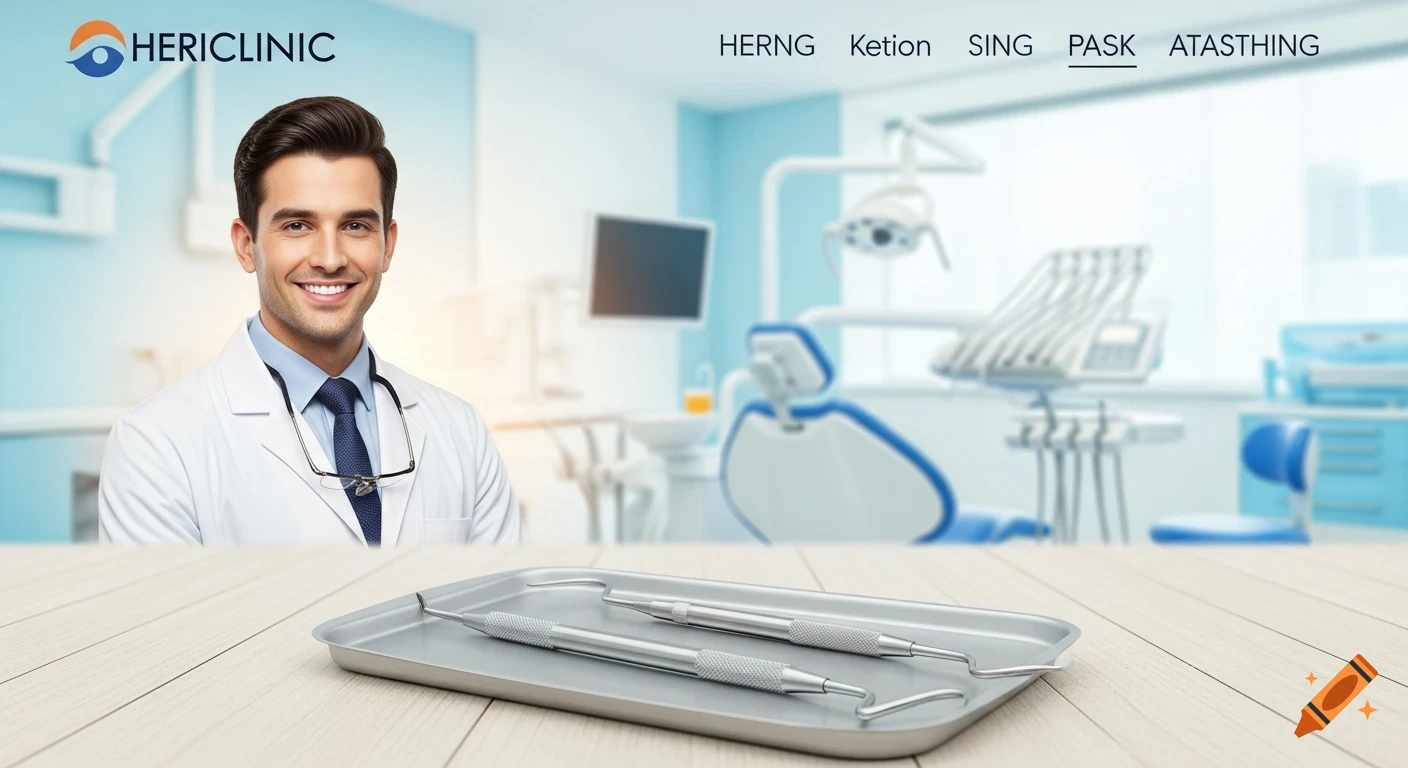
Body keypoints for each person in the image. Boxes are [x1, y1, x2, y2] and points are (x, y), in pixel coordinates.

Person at [98, 96, 521, 545]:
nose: (330, 259)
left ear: (387, 245)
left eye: (356, 226)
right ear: (246, 245)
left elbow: (505, 607)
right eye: (297, 225)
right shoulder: (156, 445)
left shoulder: (460, 431)